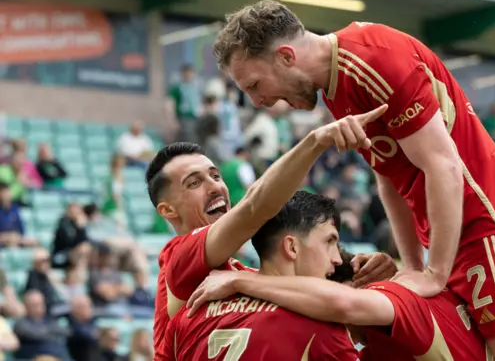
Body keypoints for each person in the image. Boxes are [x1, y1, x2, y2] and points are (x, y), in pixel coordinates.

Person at [213, 0, 495, 360]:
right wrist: (413, 266)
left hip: (490, 228)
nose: (257, 101)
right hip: (453, 238)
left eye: (254, 85)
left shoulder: (373, 58)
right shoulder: (336, 86)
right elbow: (389, 178)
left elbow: (444, 166)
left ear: (285, 56)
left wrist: (433, 273)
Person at [149, 106, 394, 359]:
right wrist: (315, 141)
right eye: (194, 183)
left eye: (215, 175)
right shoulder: (180, 258)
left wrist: (369, 269)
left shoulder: (236, 282)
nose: (214, 187)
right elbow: (255, 207)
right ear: (167, 210)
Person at [186, 231, 488, 360]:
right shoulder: (373, 340)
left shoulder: (400, 303)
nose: (317, 311)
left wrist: (241, 280)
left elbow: (341, 304)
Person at [160, 192, 361, 361]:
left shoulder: (187, 318)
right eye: (329, 242)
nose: (336, 258)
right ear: (291, 247)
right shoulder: (322, 328)